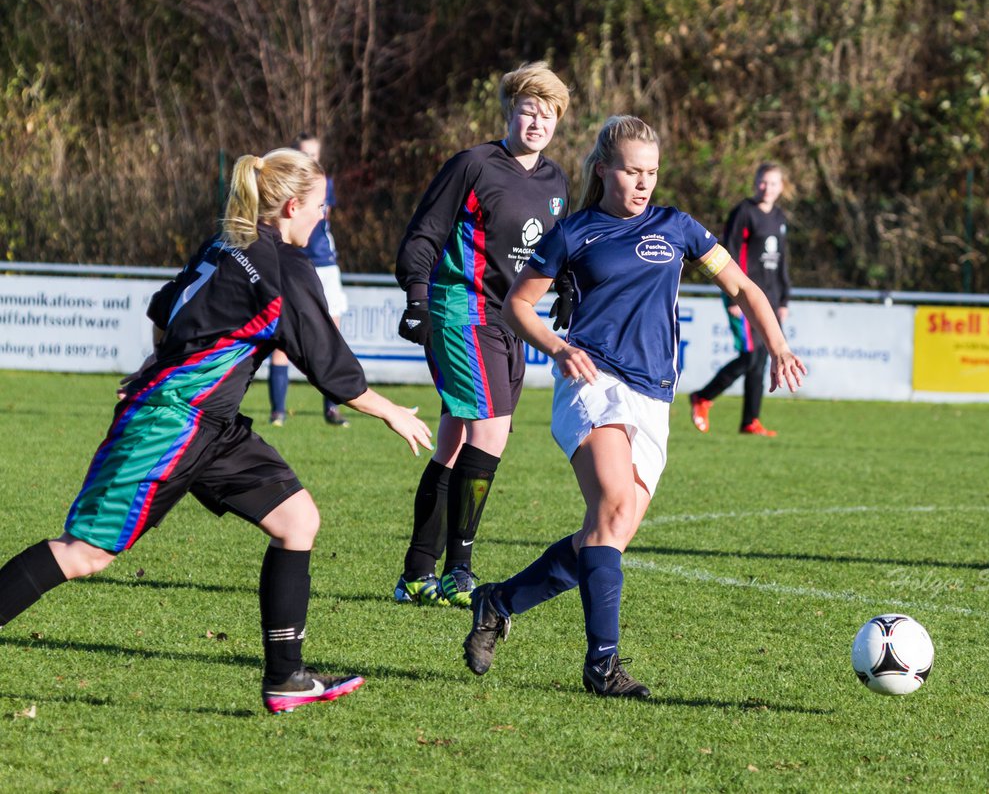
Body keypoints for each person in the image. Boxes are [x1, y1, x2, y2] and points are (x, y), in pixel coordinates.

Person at [0, 149, 433, 714]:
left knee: (297, 518)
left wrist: (162, 368)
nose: (324, 218)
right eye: (321, 208)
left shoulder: (229, 240)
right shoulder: (282, 267)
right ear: (293, 206)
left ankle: (286, 678)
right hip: (170, 426)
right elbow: (332, 371)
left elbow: (162, 315)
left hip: (210, 425)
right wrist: (394, 411)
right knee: (85, 553)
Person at [462, 115, 806, 698]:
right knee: (615, 505)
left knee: (609, 531)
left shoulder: (679, 227)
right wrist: (557, 347)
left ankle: (499, 601)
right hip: (591, 381)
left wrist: (777, 345)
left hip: (653, 398)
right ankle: (603, 666)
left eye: (651, 172)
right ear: (604, 170)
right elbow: (519, 306)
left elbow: (745, 287)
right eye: (631, 171)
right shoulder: (572, 233)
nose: (643, 182)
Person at [392, 62, 571, 608]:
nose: (537, 122)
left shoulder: (556, 180)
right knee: (490, 434)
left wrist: (566, 287)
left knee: (451, 446)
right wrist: (417, 298)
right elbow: (423, 234)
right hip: (460, 312)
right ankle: (459, 571)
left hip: (510, 320)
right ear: (509, 113)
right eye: (528, 110)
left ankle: (416, 575)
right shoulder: (473, 164)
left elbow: (554, 249)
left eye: (549, 114)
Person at [689, 163, 792, 437]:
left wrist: (783, 300)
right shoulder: (743, 213)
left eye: (772, 183)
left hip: (769, 299)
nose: (766, 188)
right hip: (742, 297)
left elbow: (782, 262)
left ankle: (750, 421)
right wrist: (732, 297)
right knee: (749, 355)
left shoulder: (780, 218)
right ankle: (702, 397)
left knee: (759, 359)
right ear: (755, 182)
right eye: (762, 182)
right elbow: (728, 253)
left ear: (781, 187)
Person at [267, 132, 350, 428]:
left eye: (315, 155)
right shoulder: (286, 189)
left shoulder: (324, 184)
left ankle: (333, 408)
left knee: (332, 336)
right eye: (305, 154)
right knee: (282, 336)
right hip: (295, 263)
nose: (311, 160)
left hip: (326, 266)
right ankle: (277, 410)